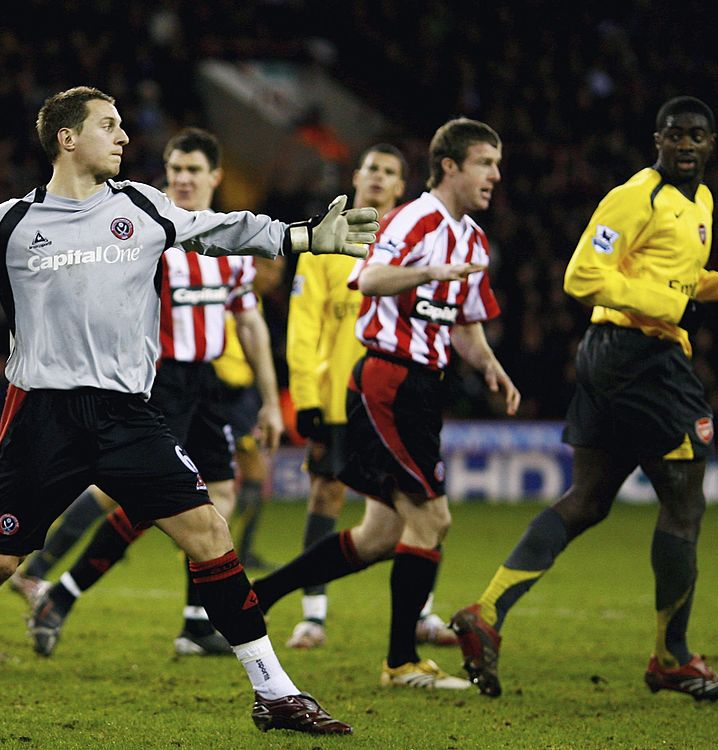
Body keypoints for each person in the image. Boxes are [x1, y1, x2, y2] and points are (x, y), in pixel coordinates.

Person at [0, 86, 378, 734]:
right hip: (42, 418)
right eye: (109, 125)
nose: (124, 137)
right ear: (67, 139)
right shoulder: (11, 225)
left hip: (129, 414)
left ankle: (274, 694)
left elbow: (222, 231)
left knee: (211, 534)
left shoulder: (143, 207)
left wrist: (302, 236)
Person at [450, 96, 718, 702]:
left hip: (616, 360)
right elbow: (581, 276)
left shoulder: (700, 202)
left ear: (713, 143)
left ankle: (486, 613)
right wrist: (665, 306)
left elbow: (671, 275)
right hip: (638, 358)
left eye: (698, 136)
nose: (687, 145)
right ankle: (671, 657)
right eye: (676, 135)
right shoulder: (634, 196)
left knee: (588, 499)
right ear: (658, 140)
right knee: (685, 503)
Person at [252, 118, 520, 690]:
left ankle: (259, 596)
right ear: (449, 165)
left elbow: (466, 325)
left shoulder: (472, 238)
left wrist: (492, 367)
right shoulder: (413, 219)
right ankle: (401, 661)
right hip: (387, 381)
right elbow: (369, 278)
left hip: (425, 386)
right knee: (432, 517)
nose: (495, 175)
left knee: (378, 534)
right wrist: (428, 271)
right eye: (485, 163)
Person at [26, 127, 285, 658]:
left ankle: (193, 624)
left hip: (207, 384)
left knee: (221, 498)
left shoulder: (233, 243)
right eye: (176, 170)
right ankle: (60, 592)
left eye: (194, 170)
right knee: (152, 505)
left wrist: (271, 400)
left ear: (215, 177)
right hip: (158, 384)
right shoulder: (149, 234)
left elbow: (249, 321)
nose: (184, 180)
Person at [284, 143, 458, 650]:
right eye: (372, 169)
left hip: (397, 397)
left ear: (402, 186)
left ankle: (421, 614)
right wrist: (307, 398)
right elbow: (302, 327)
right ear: (356, 176)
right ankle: (313, 617)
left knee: (416, 504)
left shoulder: (412, 244)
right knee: (326, 495)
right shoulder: (327, 244)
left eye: (389, 172)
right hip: (339, 398)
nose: (379, 178)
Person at [211, 256, 285, 572]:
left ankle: (235, 549)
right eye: (272, 269)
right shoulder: (228, 294)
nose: (275, 278)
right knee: (248, 476)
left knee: (250, 476)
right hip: (220, 394)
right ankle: (224, 549)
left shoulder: (251, 300)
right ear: (253, 265)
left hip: (241, 396)